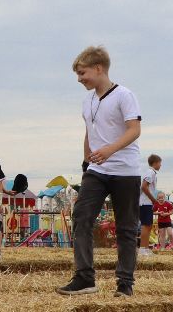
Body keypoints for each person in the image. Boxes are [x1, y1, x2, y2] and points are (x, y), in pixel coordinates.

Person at [59, 46, 143, 297]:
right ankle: (85, 278)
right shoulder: (88, 100)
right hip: (96, 169)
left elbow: (134, 130)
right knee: (81, 217)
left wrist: (108, 150)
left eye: (82, 73)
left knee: (126, 228)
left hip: (125, 170)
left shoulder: (124, 95)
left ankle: (125, 283)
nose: (79, 79)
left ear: (99, 68)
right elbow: (90, 131)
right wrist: (87, 159)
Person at [139, 155, 162, 251]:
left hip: (146, 202)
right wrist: (153, 199)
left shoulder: (151, 172)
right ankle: (143, 249)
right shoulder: (151, 172)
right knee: (146, 225)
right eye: (160, 163)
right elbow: (144, 186)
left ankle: (145, 248)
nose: (160, 165)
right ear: (155, 163)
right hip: (145, 202)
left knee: (148, 226)